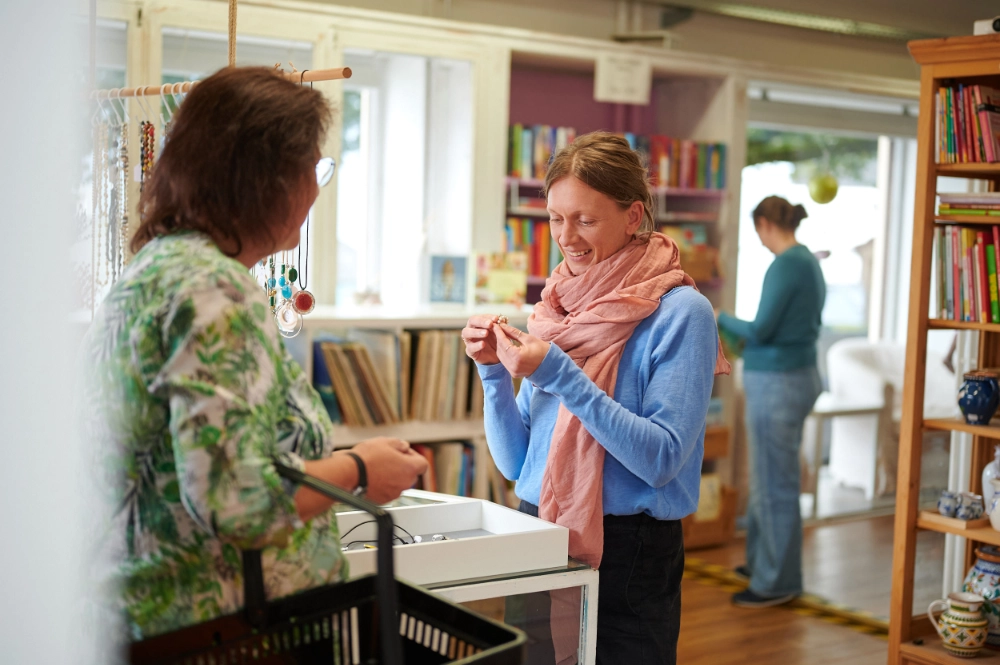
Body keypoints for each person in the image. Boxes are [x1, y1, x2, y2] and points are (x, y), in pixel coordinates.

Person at [79, 67, 428, 638]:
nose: (316, 189)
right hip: (211, 626)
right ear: (266, 179)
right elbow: (237, 502)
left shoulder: (161, 265)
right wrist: (362, 471)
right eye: (312, 169)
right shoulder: (216, 291)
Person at [463, 131, 730, 665]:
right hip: (538, 524)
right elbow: (518, 463)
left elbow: (659, 460)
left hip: (629, 550)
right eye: (556, 219)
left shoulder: (681, 312)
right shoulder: (557, 306)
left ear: (634, 216)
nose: (568, 237)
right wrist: (492, 372)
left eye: (586, 219)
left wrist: (560, 375)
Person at [716, 195, 825, 609]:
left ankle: (776, 580)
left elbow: (760, 329)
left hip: (778, 381)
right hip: (793, 377)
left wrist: (720, 316)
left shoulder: (787, 263)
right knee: (767, 477)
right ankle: (764, 562)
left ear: (764, 223)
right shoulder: (807, 261)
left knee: (774, 483)